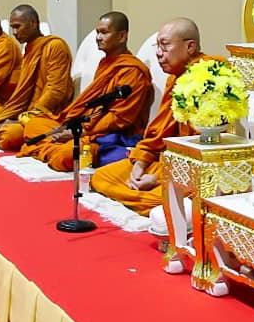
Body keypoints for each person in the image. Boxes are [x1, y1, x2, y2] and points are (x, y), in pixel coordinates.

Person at [90, 17, 215, 215]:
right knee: (102, 177)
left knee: (173, 199)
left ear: (190, 47)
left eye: (165, 45)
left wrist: (160, 179)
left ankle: (163, 201)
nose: (158, 53)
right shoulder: (176, 79)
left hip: (194, 171)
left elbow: (208, 150)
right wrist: (140, 165)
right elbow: (158, 134)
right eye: (157, 46)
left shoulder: (211, 78)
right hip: (166, 163)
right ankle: (156, 198)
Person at [15, 12, 152, 170]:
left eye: (104, 32)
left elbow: (119, 118)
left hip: (107, 135)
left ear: (122, 36)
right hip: (85, 126)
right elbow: (94, 106)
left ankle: (48, 150)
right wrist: (72, 127)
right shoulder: (105, 63)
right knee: (35, 124)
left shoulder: (132, 71)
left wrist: (81, 132)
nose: (98, 37)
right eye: (97, 32)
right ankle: (52, 149)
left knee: (65, 155)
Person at [0, 5, 74, 151]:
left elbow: (56, 91)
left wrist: (24, 117)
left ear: (33, 23)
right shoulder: (29, 49)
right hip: (22, 111)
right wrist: (11, 115)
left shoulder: (55, 46)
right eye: (12, 27)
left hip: (45, 114)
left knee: (7, 135)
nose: (14, 32)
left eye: (17, 27)